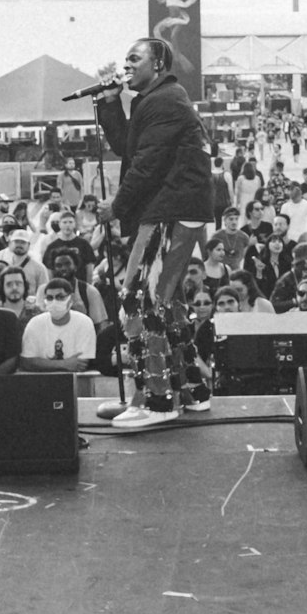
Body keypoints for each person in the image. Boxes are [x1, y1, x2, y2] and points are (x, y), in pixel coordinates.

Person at [96, 36, 213, 428]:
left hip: (169, 209)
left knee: (137, 300)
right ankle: (191, 391)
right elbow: (128, 148)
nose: (126, 64)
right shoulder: (157, 99)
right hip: (172, 207)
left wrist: (116, 207)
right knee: (168, 303)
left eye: (134, 58)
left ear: (157, 64)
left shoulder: (164, 100)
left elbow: (145, 165)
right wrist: (111, 102)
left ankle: (156, 400)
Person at [19, 274, 98, 374]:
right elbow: (27, 362)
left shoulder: (84, 323)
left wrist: (42, 363)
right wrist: (64, 364)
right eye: (49, 298)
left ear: (71, 298)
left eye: (60, 297)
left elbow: (81, 364)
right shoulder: (35, 323)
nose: (54, 301)